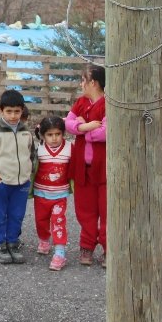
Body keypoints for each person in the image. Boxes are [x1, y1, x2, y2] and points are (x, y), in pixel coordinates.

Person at [0, 89, 37, 264]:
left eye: (17, 112)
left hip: (22, 183)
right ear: (1, 111)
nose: (13, 116)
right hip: (2, 182)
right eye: (9, 111)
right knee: (0, 214)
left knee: (17, 214)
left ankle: (12, 243)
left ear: (22, 110)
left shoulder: (26, 131)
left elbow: (31, 153)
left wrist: (29, 172)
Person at [66, 64, 107, 267]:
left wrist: (82, 131)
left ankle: (109, 248)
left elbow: (107, 131)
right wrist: (86, 126)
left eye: (84, 80)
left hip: (104, 168)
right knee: (85, 209)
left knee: (107, 209)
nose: (81, 84)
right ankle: (87, 246)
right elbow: (68, 123)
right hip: (82, 167)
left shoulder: (108, 103)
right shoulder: (81, 102)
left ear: (94, 82)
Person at [32, 115, 72, 271]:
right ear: (42, 135)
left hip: (60, 195)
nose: (54, 138)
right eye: (50, 134)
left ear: (63, 133)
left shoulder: (70, 148)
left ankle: (60, 253)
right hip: (40, 194)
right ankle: (44, 240)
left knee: (58, 222)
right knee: (41, 221)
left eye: (58, 134)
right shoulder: (39, 150)